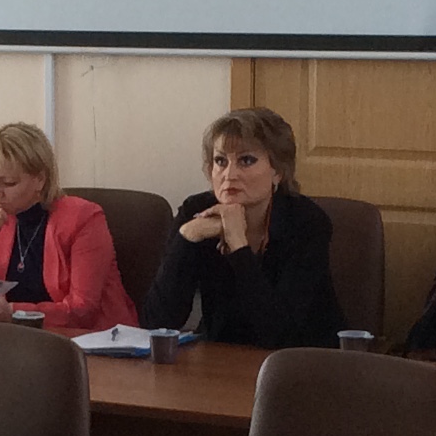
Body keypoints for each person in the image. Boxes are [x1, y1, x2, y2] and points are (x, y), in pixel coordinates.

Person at [142, 107, 345, 347]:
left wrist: (238, 246)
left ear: (278, 171)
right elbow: (157, 323)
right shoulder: (195, 212)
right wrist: (187, 237)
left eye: (246, 160)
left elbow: (279, 334)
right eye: (220, 161)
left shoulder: (307, 222)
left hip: (302, 358)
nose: (229, 174)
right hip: (221, 355)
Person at [0, 121, 136, 333]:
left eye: (9, 183)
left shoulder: (84, 218)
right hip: (14, 338)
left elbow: (83, 309)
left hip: (89, 338)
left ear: (40, 180)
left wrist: (14, 313)